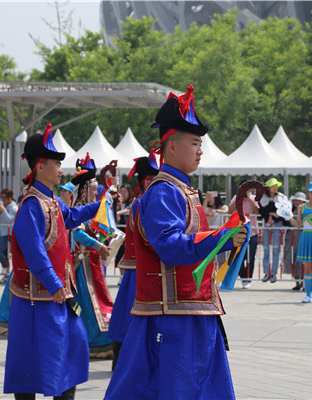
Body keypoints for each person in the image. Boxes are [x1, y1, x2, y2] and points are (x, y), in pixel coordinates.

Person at [105, 85, 248, 400]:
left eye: (201, 144)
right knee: (175, 389)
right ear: (171, 147)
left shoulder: (182, 190)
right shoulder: (163, 191)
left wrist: (229, 237)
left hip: (191, 310)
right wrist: (222, 237)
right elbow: (170, 246)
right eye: (195, 143)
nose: (200, 150)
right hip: (170, 316)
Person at [3, 123, 101, 399]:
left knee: (70, 351)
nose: (61, 168)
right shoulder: (31, 205)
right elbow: (35, 253)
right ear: (40, 167)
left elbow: (71, 217)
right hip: (38, 298)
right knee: (31, 363)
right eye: (56, 163)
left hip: (58, 296)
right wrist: (55, 284)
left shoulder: (53, 201)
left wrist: (102, 202)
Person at [108, 154, 159, 371]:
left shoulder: (140, 203)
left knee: (125, 316)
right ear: (148, 181)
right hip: (142, 271)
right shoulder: (146, 203)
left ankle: (123, 361)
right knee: (133, 318)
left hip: (136, 269)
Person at [70, 155, 114, 359]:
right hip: (83, 264)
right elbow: (77, 234)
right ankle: (94, 341)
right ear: (85, 190)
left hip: (93, 263)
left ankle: (101, 338)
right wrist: (99, 245)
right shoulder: (78, 211)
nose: (96, 193)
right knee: (89, 303)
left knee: (99, 300)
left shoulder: (90, 210)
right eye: (94, 190)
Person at [228, 185, 259, 289]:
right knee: (238, 256)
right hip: (239, 232)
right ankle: (244, 277)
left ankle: (248, 279)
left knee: (251, 257)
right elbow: (230, 210)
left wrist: (249, 199)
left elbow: (256, 212)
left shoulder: (254, 198)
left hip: (253, 232)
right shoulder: (236, 197)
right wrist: (238, 199)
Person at [258, 177, 287, 283]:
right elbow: (262, 212)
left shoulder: (281, 197)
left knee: (276, 249)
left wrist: (274, 216)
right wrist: (270, 214)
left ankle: (274, 273)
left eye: (276, 186)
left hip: (277, 225)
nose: (275, 188)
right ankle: (266, 272)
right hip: (266, 225)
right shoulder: (263, 198)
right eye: (272, 186)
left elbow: (283, 212)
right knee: (265, 249)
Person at [284, 192, 307, 290]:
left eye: (299, 200)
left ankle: (302, 281)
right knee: (291, 257)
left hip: (301, 236)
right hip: (291, 237)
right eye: (295, 200)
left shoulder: (305, 212)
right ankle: (297, 282)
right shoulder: (290, 211)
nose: (297, 202)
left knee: (300, 259)